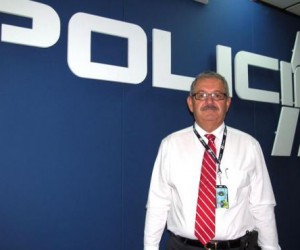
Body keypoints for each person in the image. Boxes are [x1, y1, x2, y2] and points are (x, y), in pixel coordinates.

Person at [144, 71, 281, 250]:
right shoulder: (170, 145)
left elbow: (262, 205)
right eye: (201, 95)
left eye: (217, 95)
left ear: (227, 103)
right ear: (190, 103)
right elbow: (158, 204)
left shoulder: (249, 145)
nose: (209, 102)